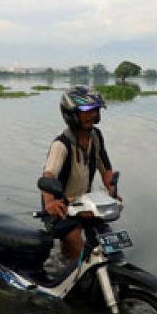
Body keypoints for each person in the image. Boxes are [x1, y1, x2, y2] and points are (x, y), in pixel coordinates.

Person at [41, 86, 119, 260]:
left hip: (85, 203)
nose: (92, 115)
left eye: (95, 110)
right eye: (86, 110)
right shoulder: (61, 145)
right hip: (60, 207)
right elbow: (48, 176)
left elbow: (105, 167)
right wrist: (50, 203)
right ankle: (74, 279)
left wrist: (112, 190)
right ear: (71, 113)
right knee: (79, 249)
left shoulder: (96, 136)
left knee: (108, 242)